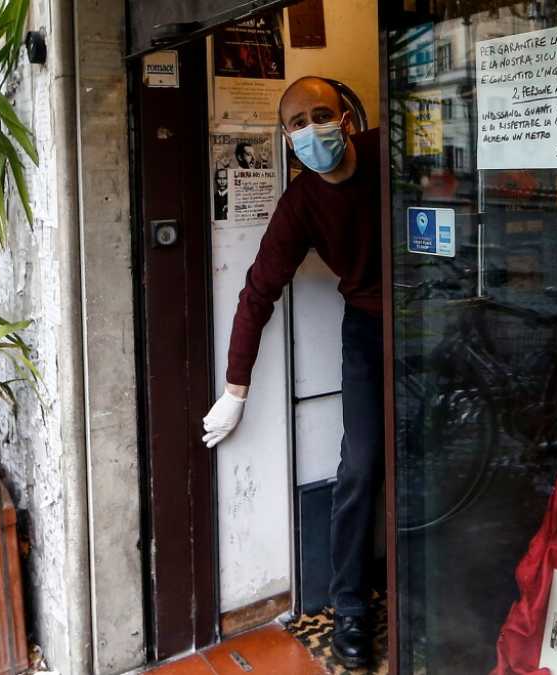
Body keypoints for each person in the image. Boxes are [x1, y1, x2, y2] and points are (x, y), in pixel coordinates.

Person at [201, 76, 382, 669]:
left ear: (346, 120)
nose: (310, 130)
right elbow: (258, 292)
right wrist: (234, 391)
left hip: (432, 316)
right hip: (367, 329)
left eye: (320, 115)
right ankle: (351, 608)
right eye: (297, 123)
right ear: (285, 137)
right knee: (358, 469)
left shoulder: (390, 153)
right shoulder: (301, 203)